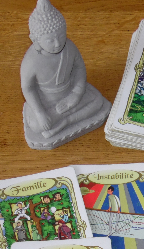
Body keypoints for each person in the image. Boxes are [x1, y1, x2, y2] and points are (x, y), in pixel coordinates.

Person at [20, 0, 109, 147]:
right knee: (37, 125)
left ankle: (65, 122)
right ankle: (60, 121)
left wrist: (75, 95)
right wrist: (40, 113)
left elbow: (79, 68)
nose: (57, 43)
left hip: (71, 94)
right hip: (47, 102)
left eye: (61, 36)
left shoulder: (70, 47)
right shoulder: (31, 61)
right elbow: (28, 88)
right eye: (50, 40)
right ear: (35, 39)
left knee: (98, 100)